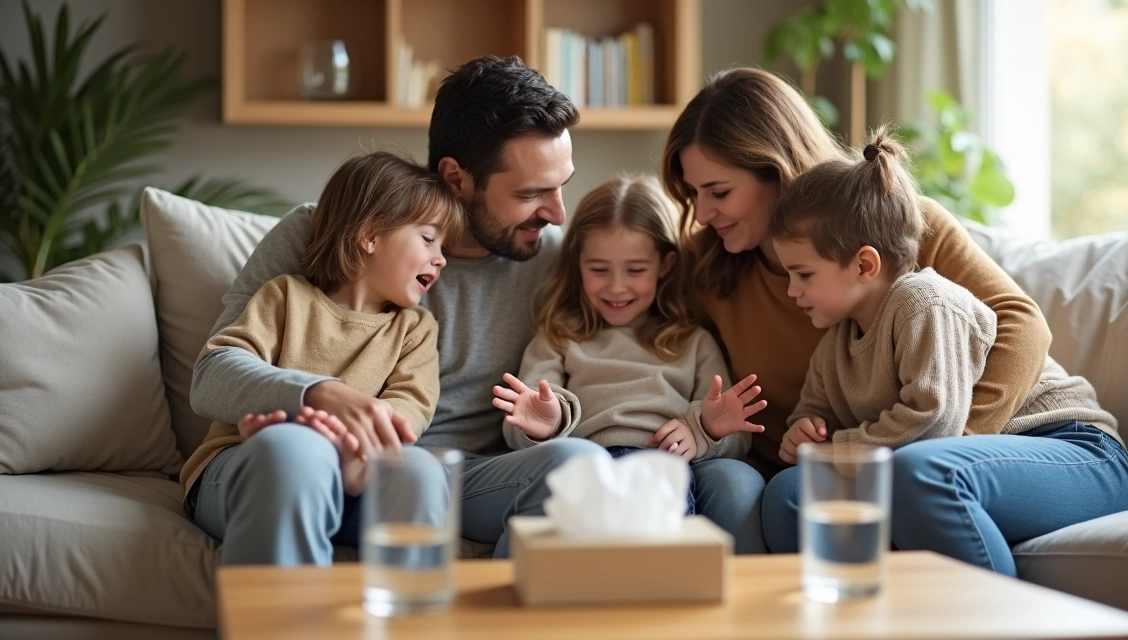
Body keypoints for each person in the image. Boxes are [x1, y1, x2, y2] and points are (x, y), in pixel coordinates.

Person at [189, 56, 602, 564]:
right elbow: (212, 374)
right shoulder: (323, 232)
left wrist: (558, 413)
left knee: (579, 465)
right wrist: (320, 398)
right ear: (456, 177)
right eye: (531, 192)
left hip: (439, 473)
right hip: (293, 451)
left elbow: (612, 358)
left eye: (562, 185)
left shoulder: (559, 260)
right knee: (298, 455)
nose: (558, 213)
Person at [658, 67, 1062, 562]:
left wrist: (950, 449)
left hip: (939, 453)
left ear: (778, 171)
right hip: (835, 465)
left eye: (719, 192)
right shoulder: (704, 267)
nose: (702, 213)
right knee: (784, 498)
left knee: (915, 483)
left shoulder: (896, 223)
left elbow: (1020, 324)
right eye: (692, 193)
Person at [760, 128, 1128, 573]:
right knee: (787, 492)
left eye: (803, 274)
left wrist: (835, 449)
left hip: (1074, 453)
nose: (791, 290)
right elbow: (815, 414)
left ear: (864, 265)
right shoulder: (834, 345)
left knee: (921, 470)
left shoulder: (923, 301)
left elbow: (935, 419)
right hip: (970, 464)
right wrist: (805, 432)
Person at [182, 154, 465, 560]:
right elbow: (220, 367)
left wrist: (357, 453)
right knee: (293, 452)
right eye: (427, 238)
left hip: (359, 472)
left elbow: (410, 407)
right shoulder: (283, 296)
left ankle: (408, 619)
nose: (441, 258)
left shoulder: (415, 328)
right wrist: (301, 413)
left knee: (420, 473)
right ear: (370, 235)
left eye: (443, 246)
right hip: (245, 461)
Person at [493, 176, 767, 515]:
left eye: (636, 269)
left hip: (670, 467)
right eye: (599, 269)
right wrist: (546, 425)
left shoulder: (693, 341)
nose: (617, 287)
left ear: (665, 265)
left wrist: (703, 431)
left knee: (732, 484)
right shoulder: (559, 337)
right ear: (578, 265)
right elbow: (524, 416)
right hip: (587, 465)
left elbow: (734, 430)